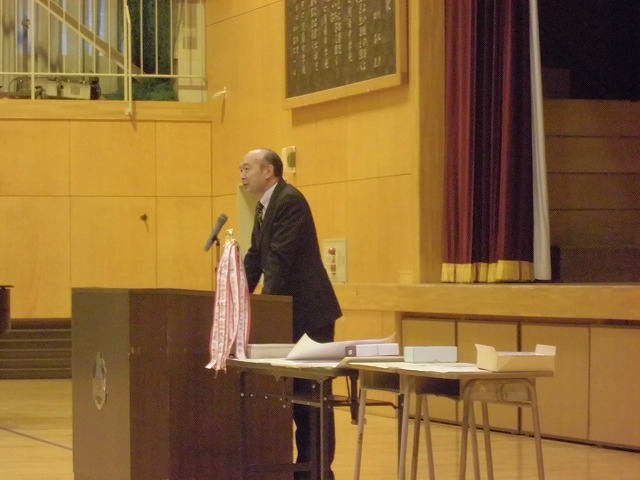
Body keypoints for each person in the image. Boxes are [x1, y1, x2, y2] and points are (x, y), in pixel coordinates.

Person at [241, 148, 342, 480]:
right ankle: (304, 471)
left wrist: (264, 310)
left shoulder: (289, 201)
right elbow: (256, 257)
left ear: (268, 171)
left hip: (310, 317)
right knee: (298, 401)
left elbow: (279, 262)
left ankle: (319, 473)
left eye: (247, 168)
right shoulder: (264, 207)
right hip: (292, 316)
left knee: (312, 400)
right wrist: (236, 297)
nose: (242, 175)